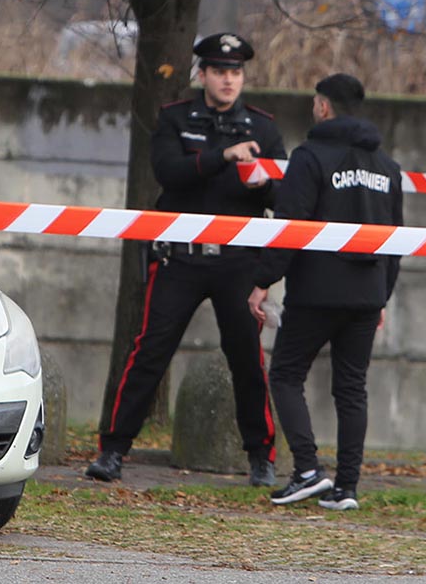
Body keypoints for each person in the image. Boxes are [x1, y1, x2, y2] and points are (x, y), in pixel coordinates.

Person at [86, 32, 286, 487]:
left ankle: (261, 457)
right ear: (203, 74)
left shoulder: (264, 128)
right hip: (181, 259)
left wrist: (264, 186)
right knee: (150, 353)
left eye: (236, 72)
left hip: (238, 262)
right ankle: (113, 451)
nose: (229, 80)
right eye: (220, 71)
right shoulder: (176, 118)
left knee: (247, 360)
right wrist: (222, 157)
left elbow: (286, 193)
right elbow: (169, 173)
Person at [247, 73, 403, 511]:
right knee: (352, 389)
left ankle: (308, 471)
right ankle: (347, 488)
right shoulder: (387, 168)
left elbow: (290, 225)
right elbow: (398, 240)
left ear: (322, 106)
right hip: (367, 295)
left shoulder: (310, 157)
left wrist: (262, 281)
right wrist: (382, 296)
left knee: (285, 375)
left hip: (316, 292)